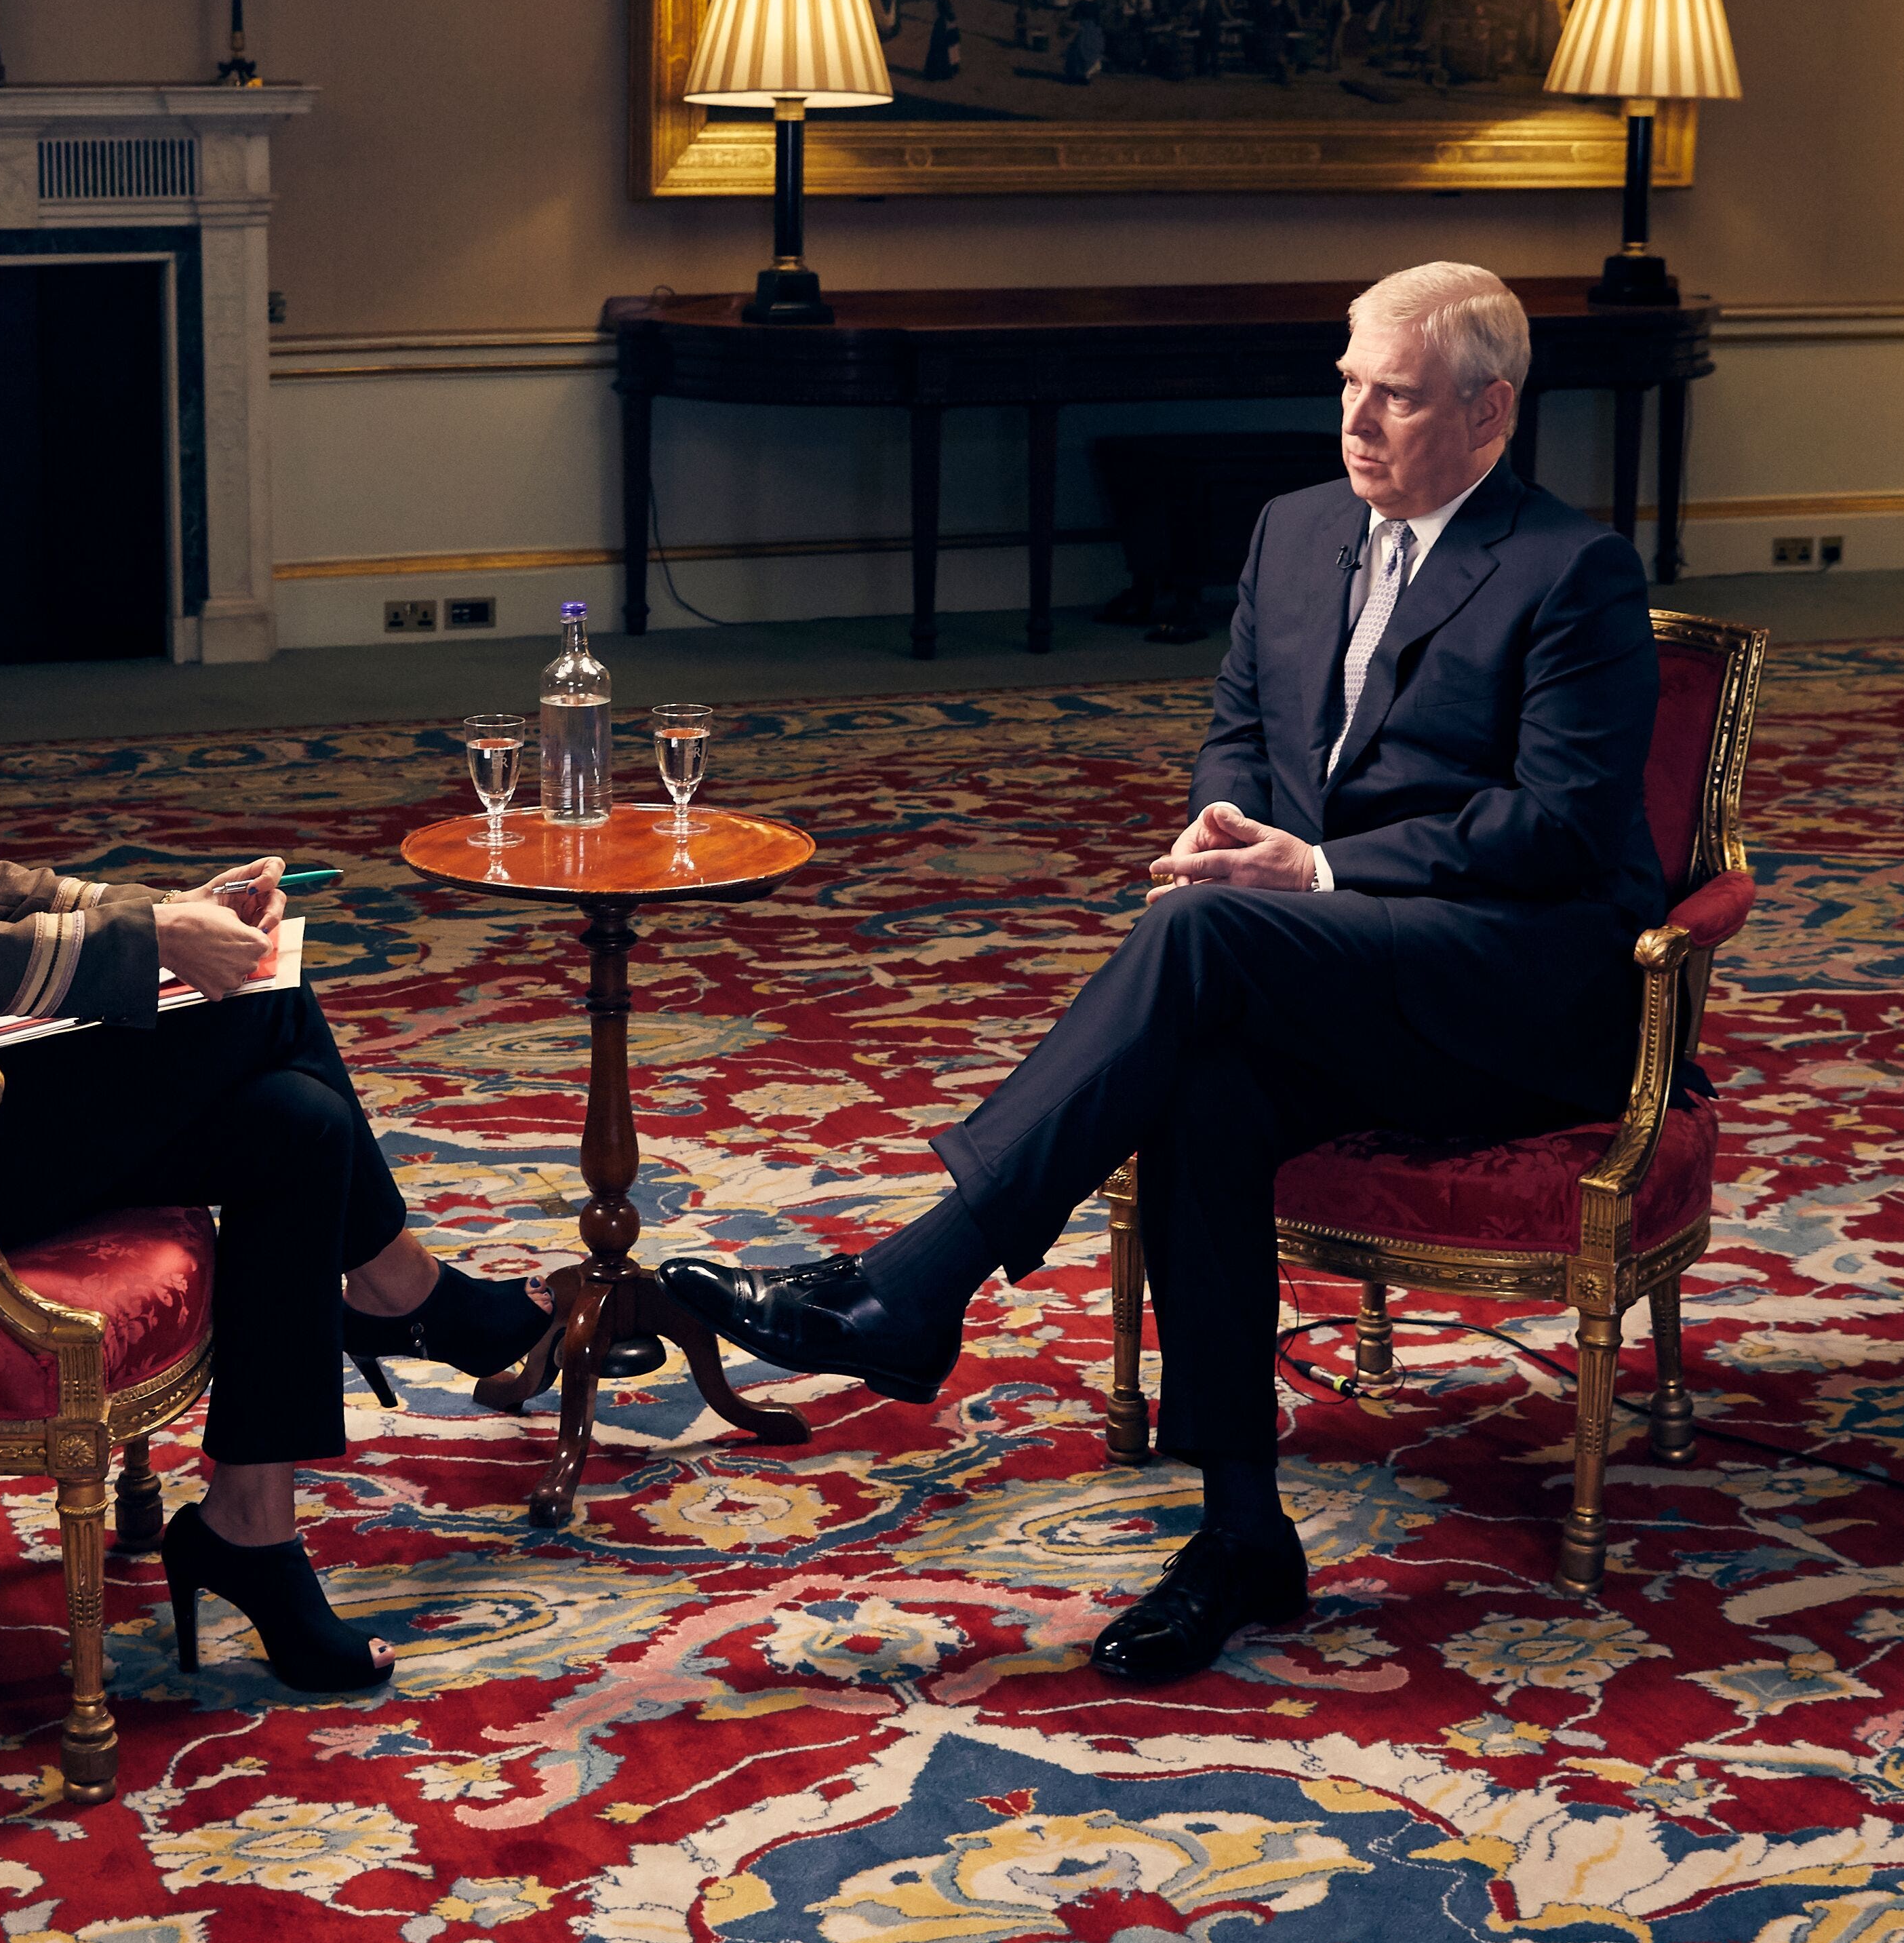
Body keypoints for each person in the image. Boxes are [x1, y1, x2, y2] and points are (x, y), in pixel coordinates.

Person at [660, 263, 1661, 1684]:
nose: (1358, 421)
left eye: (1397, 394)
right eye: (1347, 384)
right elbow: (1241, 726)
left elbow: (1556, 824)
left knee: (1202, 934)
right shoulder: (1295, 528)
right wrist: (1226, 815)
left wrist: (1307, 870)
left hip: (1509, 984)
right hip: (1326, 971)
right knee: (1202, 1081)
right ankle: (1242, 1530)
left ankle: (918, 1279)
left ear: (1490, 410)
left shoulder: (1571, 567)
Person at [0, 335, 546, 1694]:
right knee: (263, 1023)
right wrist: (149, 944)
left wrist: (157, 904)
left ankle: (253, 1522)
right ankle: (416, 1294)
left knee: (295, 1122)